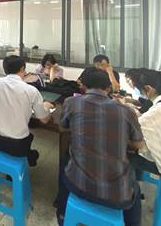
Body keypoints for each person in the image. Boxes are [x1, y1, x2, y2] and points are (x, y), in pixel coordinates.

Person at [56, 67, 144, 226]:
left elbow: (63, 128)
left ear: (83, 86)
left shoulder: (71, 103)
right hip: (117, 195)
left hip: (77, 184)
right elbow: (139, 144)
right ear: (109, 88)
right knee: (134, 184)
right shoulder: (126, 111)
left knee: (65, 162)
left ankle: (62, 214)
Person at [0, 55, 53, 166]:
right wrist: (46, 107)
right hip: (18, 145)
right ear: (22, 69)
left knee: (28, 150)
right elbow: (44, 120)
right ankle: (29, 157)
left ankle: (28, 157)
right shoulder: (31, 90)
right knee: (30, 149)